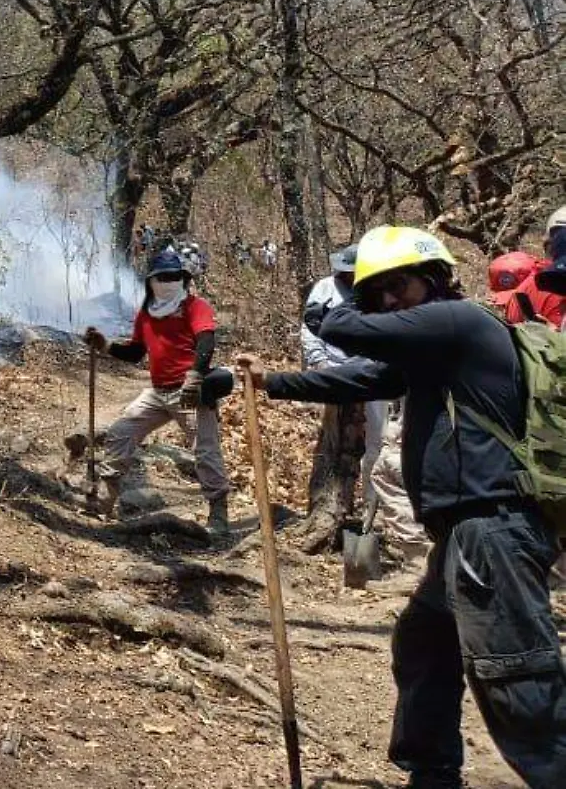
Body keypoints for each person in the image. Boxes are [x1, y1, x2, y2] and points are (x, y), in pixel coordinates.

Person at [241, 226, 566, 788]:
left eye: (400, 287)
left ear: (436, 280)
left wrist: (335, 296)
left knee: (518, 681)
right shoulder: (435, 352)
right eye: (378, 294)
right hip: (465, 538)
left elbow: (343, 328)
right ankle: (432, 772)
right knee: (423, 645)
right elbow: (361, 378)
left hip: (492, 532)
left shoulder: (459, 321)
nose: (390, 302)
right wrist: (268, 382)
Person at [82, 251, 234, 543]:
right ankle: (104, 499)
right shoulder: (146, 314)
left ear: (182, 280)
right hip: (158, 391)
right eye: (161, 277)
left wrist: (195, 375)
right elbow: (136, 352)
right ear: (151, 281)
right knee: (120, 433)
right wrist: (106, 346)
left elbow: (206, 341)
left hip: (189, 390)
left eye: (172, 277)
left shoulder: (195, 307)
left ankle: (218, 513)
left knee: (205, 449)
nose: (167, 283)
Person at [302, 244, 424, 567]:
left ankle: (374, 513)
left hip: (371, 372)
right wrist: (320, 364)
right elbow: (310, 329)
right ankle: (329, 507)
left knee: (377, 443)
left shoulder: (378, 293)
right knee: (333, 444)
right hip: (333, 371)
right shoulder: (325, 289)